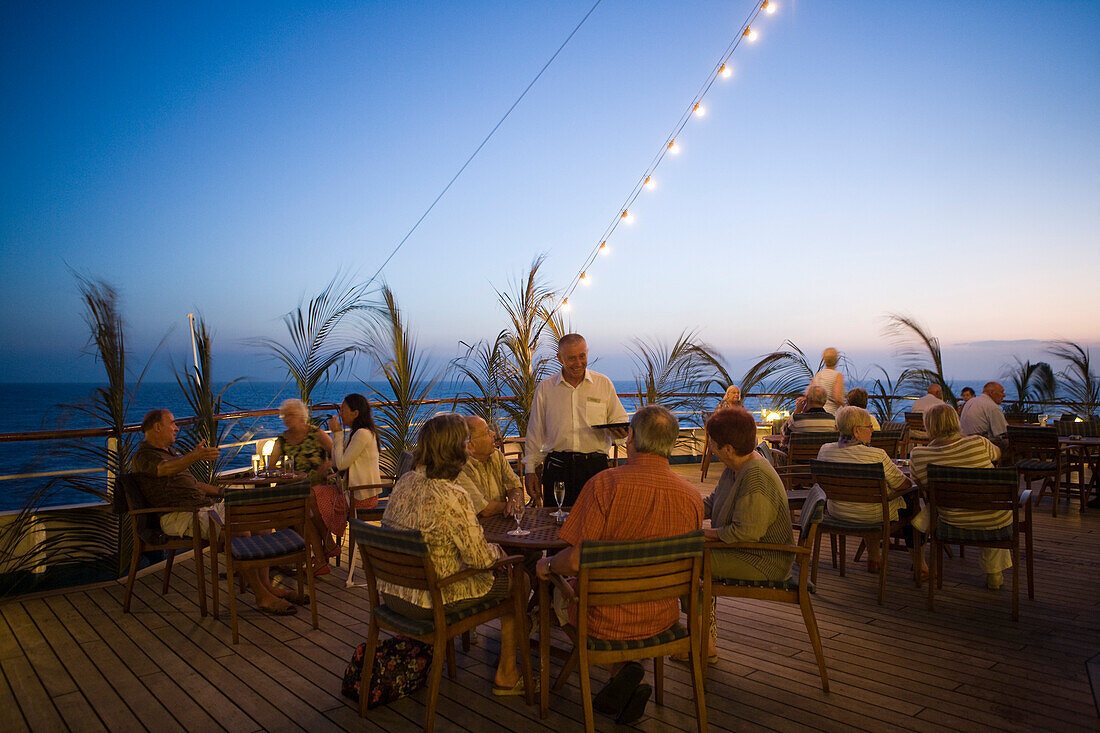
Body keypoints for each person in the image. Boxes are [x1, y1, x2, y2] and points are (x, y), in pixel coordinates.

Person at [535, 405, 703, 724]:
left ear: (631, 438)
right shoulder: (691, 497)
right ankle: (625, 675)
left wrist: (548, 566)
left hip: (604, 619)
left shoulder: (604, 485)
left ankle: (622, 670)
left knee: (555, 592)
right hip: (662, 617)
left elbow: (574, 561)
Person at [380, 413, 528, 696]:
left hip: (393, 593)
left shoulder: (404, 483)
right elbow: (480, 560)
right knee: (519, 580)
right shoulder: (452, 494)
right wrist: (501, 554)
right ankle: (508, 672)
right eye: (465, 443)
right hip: (431, 599)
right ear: (455, 449)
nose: (470, 448)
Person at [133, 409, 298, 615]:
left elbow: (194, 484)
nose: (176, 428)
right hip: (179, 514)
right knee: (238, 531)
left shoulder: (171, 454)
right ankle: (261, 596)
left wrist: (224, 492)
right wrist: (193, 456)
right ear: (157, 427)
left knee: (260, 521)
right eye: (172, 423)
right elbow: (164, 470)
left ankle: (268, 587)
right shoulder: (144, 456)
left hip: (203, 507)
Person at [698, 406, 795, 661]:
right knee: (690, 555)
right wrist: (678, 507)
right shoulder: (735, 467)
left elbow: (746, 532)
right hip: (745, 548)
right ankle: (703, 641)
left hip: (764, 559)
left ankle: (704, 645)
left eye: (712, 442)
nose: (710, 446)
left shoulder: (755, 477)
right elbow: (711, 503)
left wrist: (700, 535)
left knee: (689, 562)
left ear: (727, 448)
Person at [816, 406, 927, 576]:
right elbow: (902, 485)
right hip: (871, 515)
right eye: (869, 427)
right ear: (857, 431)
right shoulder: (876, 455)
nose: (872, 431)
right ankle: (920, 566)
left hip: (837, 511)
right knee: (911, 504)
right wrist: (913, 483)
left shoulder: (824, 450)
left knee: (869, 500)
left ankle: (874, 558)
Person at [909, 404, 1010, 590]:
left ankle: (921, 560)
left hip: (952, 518)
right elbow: (998, 454)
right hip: (994, 516)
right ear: (956, 421)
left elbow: (920, 485)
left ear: (928, 425)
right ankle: (995, 574)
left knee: (937, 507)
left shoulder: (919, 455)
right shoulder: (978, 443)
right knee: (988, 505)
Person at [524, 333, 628, 508]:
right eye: (571, 358)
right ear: (559, 358)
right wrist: (530, 471)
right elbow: (535, 432)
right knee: (554, 526)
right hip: (557, 468)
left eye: (582, 356)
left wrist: (620, 432)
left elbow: (620, 421)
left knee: (597, 522)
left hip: (595, 468)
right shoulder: (546, 388)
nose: (578, 363)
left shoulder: (603, 384)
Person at [272, 398, 341, 571]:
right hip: (295, 488)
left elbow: (338, 456)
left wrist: (327, 465)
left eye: (291, 415)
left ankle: (317, 558)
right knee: (295, 509)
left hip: (319, 485)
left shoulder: (315, 434)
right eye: (285, 415)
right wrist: (282, 472)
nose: (287, 418)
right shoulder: (282, 440)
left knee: (301, 509)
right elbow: (270, 466)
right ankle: (324, 549)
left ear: (302, 416)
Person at [455, 415, 523, 517]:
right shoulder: (460, 466)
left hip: (502, 525)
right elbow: (485, 509)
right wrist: (510, 506)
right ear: (471, 445)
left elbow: (515, 485)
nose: (493, 433)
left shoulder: (496, 455)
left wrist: (515, 498)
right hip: (477, 527)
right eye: (487, 432)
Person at [327, 393, 383, 509]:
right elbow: (337, 461)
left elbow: (341, 465)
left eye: (343, 410)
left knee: (314, 499)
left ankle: (328, 527)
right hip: (353, 492)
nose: (340, 414)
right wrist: (336, 435)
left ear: (355, 413)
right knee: (314, 494)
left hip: (360, 497)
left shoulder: (362, 434)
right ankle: (327, 527)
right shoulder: (354, 432)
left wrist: (337, 434)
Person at [959, 382, 1009, 448]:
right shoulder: (992, 407)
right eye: (1002, 392)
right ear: (991, 392)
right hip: (982, 448)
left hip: (965, 444)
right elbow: (1002, 433)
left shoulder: (970, 402)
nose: (1004, 395)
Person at [808, 347, 845, 414]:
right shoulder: (838, 376)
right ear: (836, 360)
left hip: (817, 413)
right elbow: (837, 397)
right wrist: (845, 408)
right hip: (832, 414)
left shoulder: (818, 375)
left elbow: (808, 393)